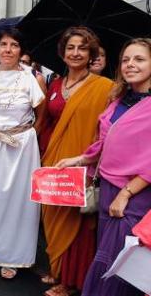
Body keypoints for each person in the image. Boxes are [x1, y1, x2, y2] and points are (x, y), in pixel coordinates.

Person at [56, 38, 151, 296]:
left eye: (139, 59)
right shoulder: (120, 98)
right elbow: (105, 140)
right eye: (126, 60)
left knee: (121, 263)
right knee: (105, 255)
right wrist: (79, 160)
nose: (130, 64)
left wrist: (127, 193)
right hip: (108, 187)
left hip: (135, 194)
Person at [39, 26, 114, 296]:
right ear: (62, 51)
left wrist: (87, 161)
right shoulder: (56, 84)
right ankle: (57, 269)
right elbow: (47, 121)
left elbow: (107, 130)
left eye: (83, 48)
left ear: (92, 54)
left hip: (83, 164)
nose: (76, 52)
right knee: (53, 217)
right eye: (70, 47)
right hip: (54, 161)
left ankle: (72, 281)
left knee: (78, 224)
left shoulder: (104, 87)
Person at [0, 28, 46, 279]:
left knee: (17, 202)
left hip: (20, 147)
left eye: (14, 45)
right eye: (4, 44)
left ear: (21, 50)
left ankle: (13, 256)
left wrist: (25, 136)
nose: (8, 50)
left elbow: (41, 114)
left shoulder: (31, 78)